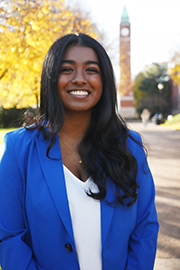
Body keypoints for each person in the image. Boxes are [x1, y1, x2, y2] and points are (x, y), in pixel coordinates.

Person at [0, 33, 159, 270]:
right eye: (67, 69)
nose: (79, 79)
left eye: (91, 70)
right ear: (51, 78)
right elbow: (8, 236)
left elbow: (145, 228)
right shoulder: (19, 149)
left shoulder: (130, 147)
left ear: (104, 80)